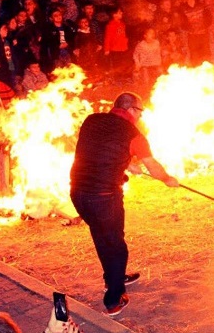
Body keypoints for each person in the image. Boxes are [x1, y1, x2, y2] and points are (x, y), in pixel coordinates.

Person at [70, 92, 179, 317]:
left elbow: (98, 149)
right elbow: (153, 166)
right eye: (140, 112)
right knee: (117, 246)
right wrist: (168, 179)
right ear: (131, 110)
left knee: (102, 237)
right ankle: (113, 299)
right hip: (103, 197)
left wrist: (126, 164)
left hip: (78, 194)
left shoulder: (92, 120)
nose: (140, 117)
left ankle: (114, 277)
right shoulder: (134, 134)